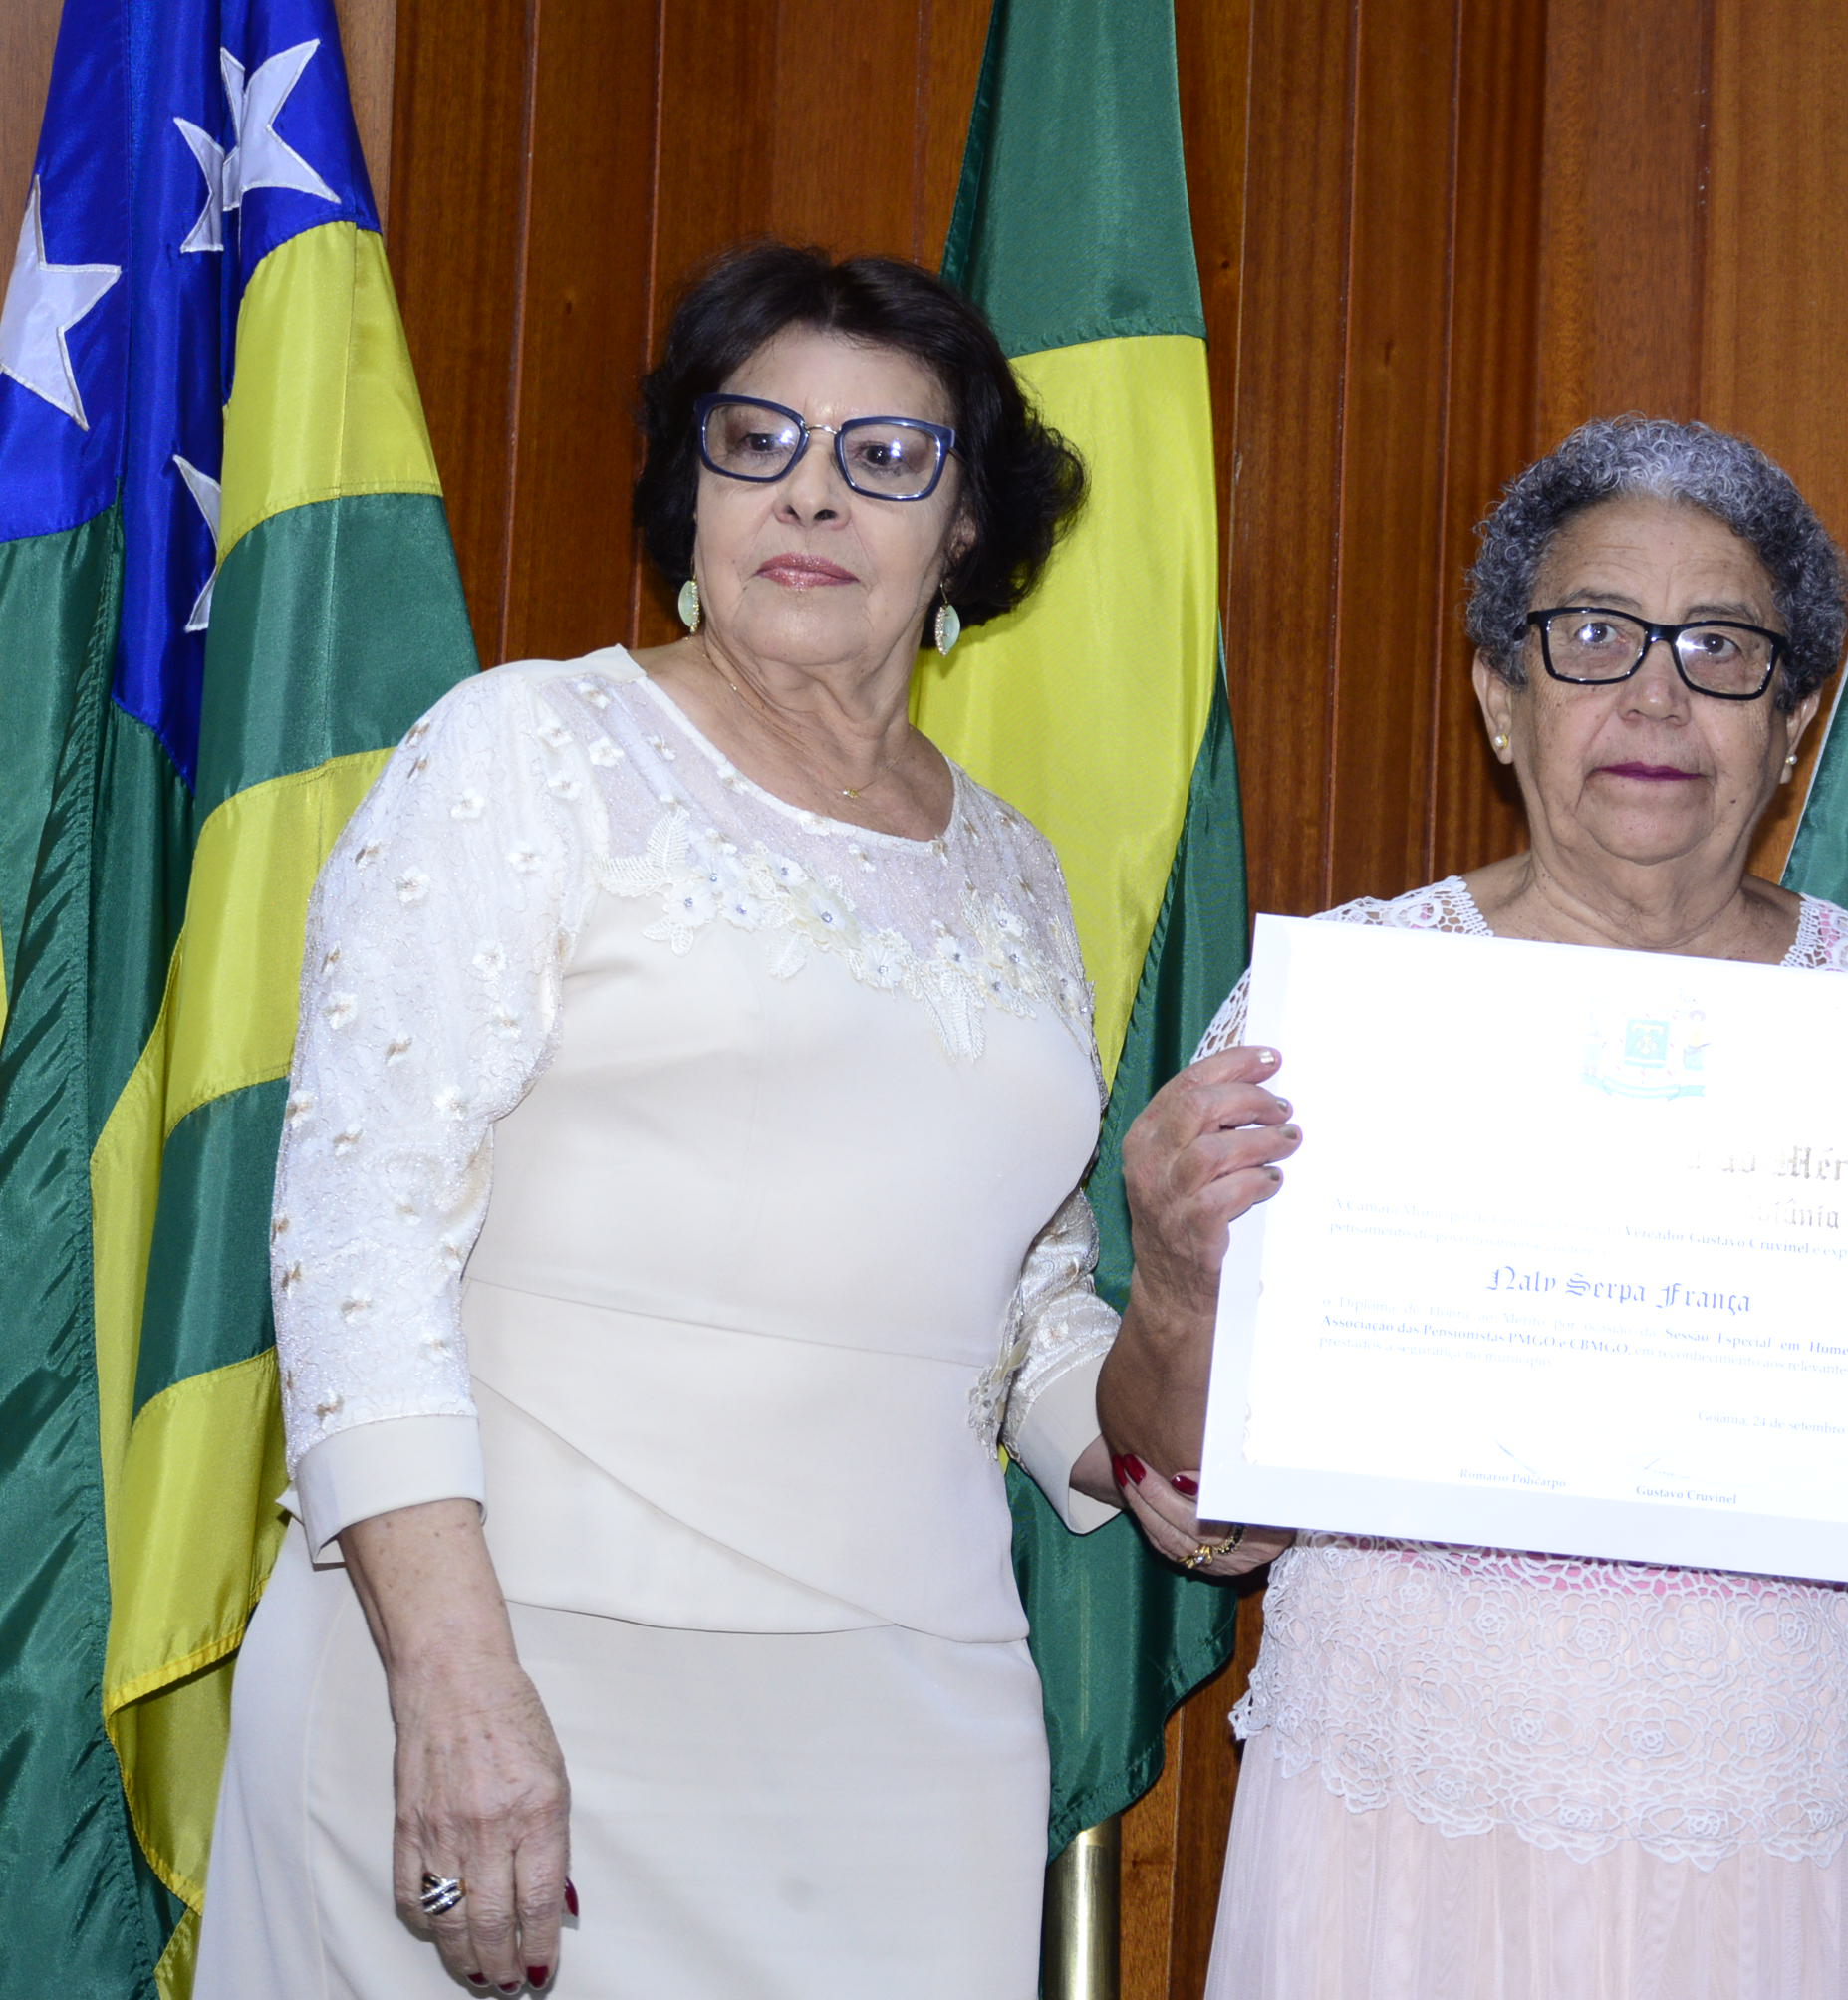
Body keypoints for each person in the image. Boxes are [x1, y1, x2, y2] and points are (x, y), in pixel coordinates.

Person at [196, 244, 1188, 1998]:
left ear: (966, 525)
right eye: (757, 440)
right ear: (692, 492)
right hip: (512, 1683)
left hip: (910, 1741)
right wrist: (453, 1682)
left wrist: (1174, 1423)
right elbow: (358, 1225)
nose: (812, 492)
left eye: (887, 455)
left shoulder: (1016, 870)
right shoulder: (527, 750)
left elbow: (1027, 1303)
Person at [1090, 417, 1848, 2000]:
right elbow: (1200, 1508)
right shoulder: (1337, 1017)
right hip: (1410, 1806)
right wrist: (1172, 1279)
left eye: (1720, 648)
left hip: (1803, 1814)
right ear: (1501, 697)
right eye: (1592, 636)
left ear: (1792, 720)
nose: (1654, 697)